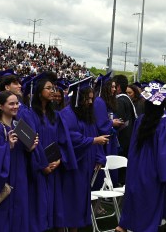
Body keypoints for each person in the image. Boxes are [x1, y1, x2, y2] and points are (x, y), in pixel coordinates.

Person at [116, 85, 166, 232]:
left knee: (134, 198)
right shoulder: (165, 123)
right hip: (153, 170)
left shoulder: (141, 120)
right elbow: (164, 154)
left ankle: (123, 226)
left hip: (136, 166)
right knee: (150, 203)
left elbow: (133, 146)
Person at [22, 72, 76, 231]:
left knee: (55, 208)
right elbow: (30, 143)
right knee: (38, 208)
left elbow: (63, 140)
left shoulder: (56, 116)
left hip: (54, 167)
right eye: (49, 88)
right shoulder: (27, 114)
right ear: (39, 92)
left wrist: (59, 159)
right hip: (37, 169)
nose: (53, 91)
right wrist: (42, 165)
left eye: (53, 88)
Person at [58, 79, 108, 231]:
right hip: (72, 164)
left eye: (92, 98)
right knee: (70, 199)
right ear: (79, 98)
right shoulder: (67, 114)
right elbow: (70, 137)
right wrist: (93, 141)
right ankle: (62, 228)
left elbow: (94, 132)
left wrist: (99, 156)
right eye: (88, 98)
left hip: (85, 164)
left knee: (79, 200)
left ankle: (74, 229)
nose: (90, 102)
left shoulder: (86, 114)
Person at [0, 90, 37, 232]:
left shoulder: (18, 126)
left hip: (20, 177)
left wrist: (30, 148)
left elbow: (25, 153)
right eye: (11, 104)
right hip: (5, 179)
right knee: (4, 216)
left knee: (19, 214)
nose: (15, 106)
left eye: (17, 103)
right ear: (1, 106)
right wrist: (8, 146)